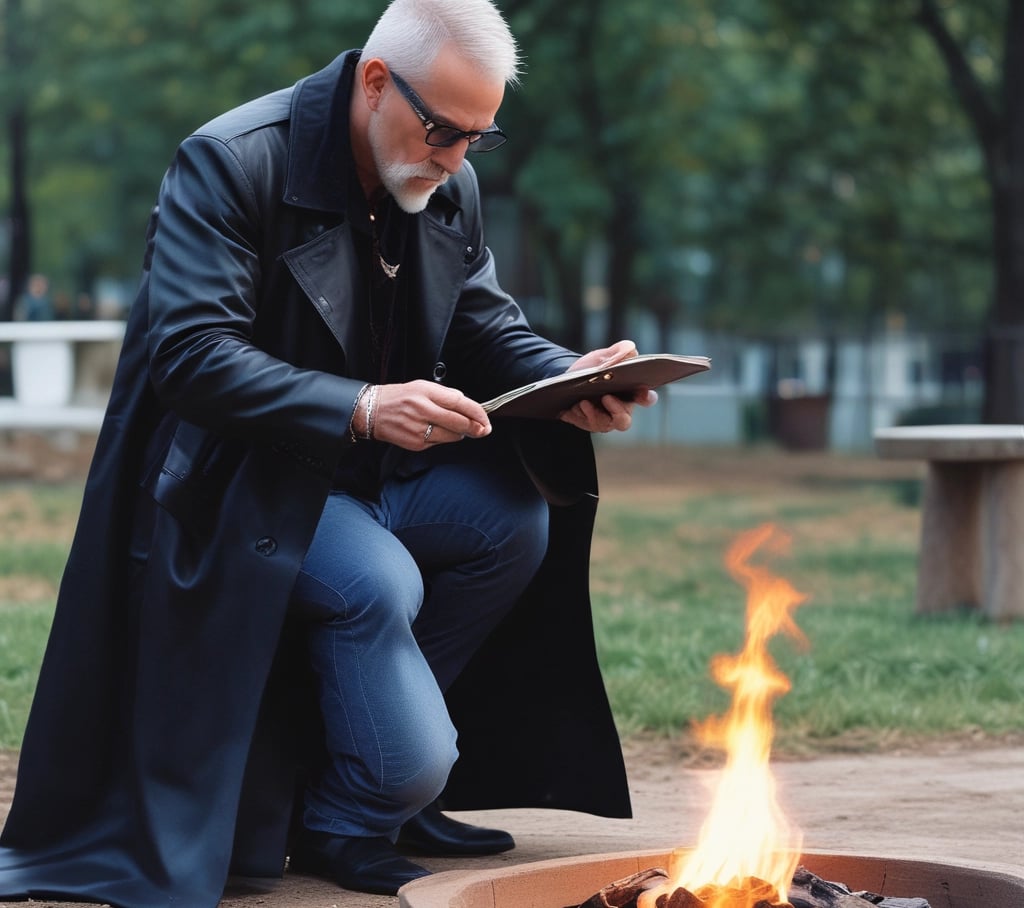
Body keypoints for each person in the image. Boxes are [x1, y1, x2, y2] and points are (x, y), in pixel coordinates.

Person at [0, 0, 656, 904]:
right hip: (244, 486)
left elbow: (483, 327)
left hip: (376, 481)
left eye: (479, 137)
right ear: (375, 83)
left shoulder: (445, 181)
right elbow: (190, 356)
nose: (458, 159)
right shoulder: (231, 162)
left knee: (509, 519)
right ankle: (376, 790)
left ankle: (345, 809)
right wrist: (360, 406)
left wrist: (574, 378)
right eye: (442, 130)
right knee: (383, 605)